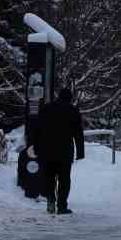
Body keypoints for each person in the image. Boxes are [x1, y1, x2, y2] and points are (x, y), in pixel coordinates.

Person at [34, 86, 85, 214]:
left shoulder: (46, 108)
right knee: (64, 179)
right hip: (65, 151)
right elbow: (78, 133)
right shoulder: (73, 111)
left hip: (47, 150)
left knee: (49, 177)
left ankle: (50, 199)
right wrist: (80, 152)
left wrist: (35, 147)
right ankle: (62, 206)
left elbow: (37, 129)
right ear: (70, 98)